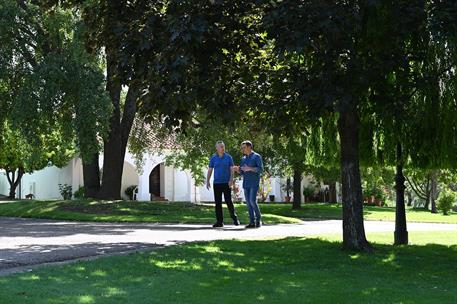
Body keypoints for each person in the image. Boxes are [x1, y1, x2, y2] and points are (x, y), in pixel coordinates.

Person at [206, 141, 240, 228]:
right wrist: (207, 181)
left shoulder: (229, 157)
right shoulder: (213, 158)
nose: (222, 148)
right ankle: (219, 222)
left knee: (228, 201)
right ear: (217, 148)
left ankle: (235, 218)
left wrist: (231, 180)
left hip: (226, 183)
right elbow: (210, 170)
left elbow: (231, 170)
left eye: (223, 146)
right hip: (217, 183)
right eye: (221, 146)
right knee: (218, 203)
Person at [233, 140, 263, 228]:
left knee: (252, 201)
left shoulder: (257, 157)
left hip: (254, 183)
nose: (242, 150)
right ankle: (251, 222)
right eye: (242, 148)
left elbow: (260, 169)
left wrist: (250, 168)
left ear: (249, 147)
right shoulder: (243, 159)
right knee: (248, 203)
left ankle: (258, 220)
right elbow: (243, 172)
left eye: (244, 148)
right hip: (246, 183)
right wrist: (238, 170)